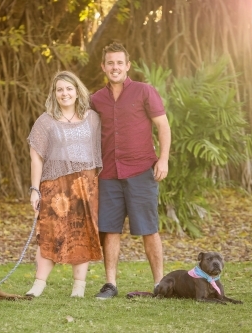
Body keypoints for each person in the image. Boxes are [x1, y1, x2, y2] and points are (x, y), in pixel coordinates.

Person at [90, 42, 171, 299]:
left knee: (149, 228)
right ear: (104, 67)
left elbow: (163, 126)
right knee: (110, 228)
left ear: (128, 66)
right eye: (110, 63)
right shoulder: (95, 100)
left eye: (119, 63)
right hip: (108, 173)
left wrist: (163, 160)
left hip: (141, 170)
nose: (115, 67)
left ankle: (160, 284)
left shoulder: (144, 92)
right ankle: (110, 284)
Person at [25, 71, 103, 298]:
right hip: (54, 185)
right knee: (50, 233)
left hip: (84, 185)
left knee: (83, 234)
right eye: (60, 89)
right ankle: (38, 285)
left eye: (69, 88)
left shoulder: (92, 118)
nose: (65, 93)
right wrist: (35, 189)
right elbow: (36, 157)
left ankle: (78, 288)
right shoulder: (46, 121)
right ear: (54, 93)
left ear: (77, 92)